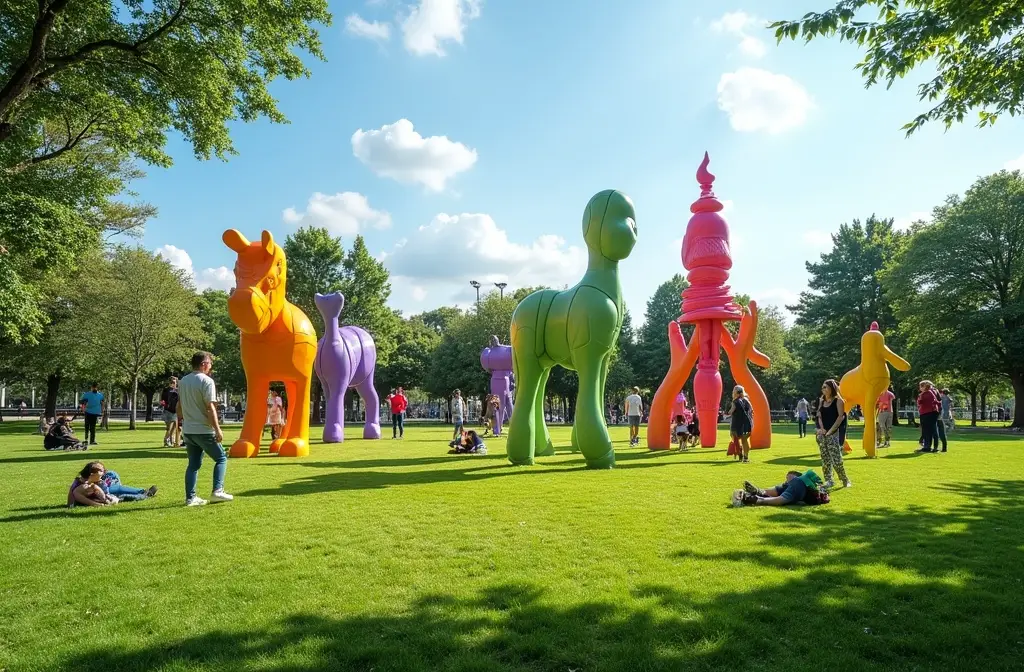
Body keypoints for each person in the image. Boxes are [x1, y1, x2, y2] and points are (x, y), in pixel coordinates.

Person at [177, 351, 233, 507]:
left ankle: (191, 498)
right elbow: (210, 408)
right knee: (221, 458)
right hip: (203, 429)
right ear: (203, 364)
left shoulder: (184, 381)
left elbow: (179, 407)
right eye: (209, 363)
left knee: (193, 464)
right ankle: (218, 491)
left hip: (188, 430)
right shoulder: (207, 381)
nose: (211, 366)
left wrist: (182, 423)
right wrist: (217, 429)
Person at [816, 379, 851, 489]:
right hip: (822, 434)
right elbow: (819, 415)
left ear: (832, 388)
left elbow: (841, 417)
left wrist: (831, 431)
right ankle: (829, 480)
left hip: (833, 433)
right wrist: (821, 429)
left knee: (836, 459)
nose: (823, 389)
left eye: (825, 387)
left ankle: (845, 479)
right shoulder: (821, 401)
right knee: (825, 459)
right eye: (822, 387)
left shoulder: (838, 401)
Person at [735, 470, 829, 507]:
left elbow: (781, 499)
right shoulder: (806, 482)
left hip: (800, 486)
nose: (786, 480)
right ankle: (759, 493)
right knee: (780, 490)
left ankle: (755, 499)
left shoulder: (797, 482)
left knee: (781, 498)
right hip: (802, 490)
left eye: (787, 477)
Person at [916, 380, 945, 453]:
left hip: (928, 412)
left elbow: (934, 402)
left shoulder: (929, 393)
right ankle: (927, 446)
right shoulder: (926, 393)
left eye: (921, 386)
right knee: (928, 430)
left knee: (931, 430)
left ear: (924, 386)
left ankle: (932, 447)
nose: (919, 388)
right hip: (927, 412)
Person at [728, 385, 754, 463]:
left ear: (736, 392)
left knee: (735, 438)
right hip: (748, 424)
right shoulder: (746, 400)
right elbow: (752, 410)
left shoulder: (735, 401)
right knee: (745, 440)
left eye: (733, 391)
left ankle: (739, 454)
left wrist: (728, 413)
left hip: (737, 424)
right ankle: (745, 457)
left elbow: (731, 411)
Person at [160, 377, 181, 447]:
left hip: (176, 411)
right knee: (169, 427)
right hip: (168, 411)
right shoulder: (166, 390)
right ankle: (166, 441)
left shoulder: (178, 391)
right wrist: (163, 404)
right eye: (171, 382)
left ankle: (172, 441)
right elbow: (163, 400)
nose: (173, 384)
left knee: (175, 428)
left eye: (174, 382)